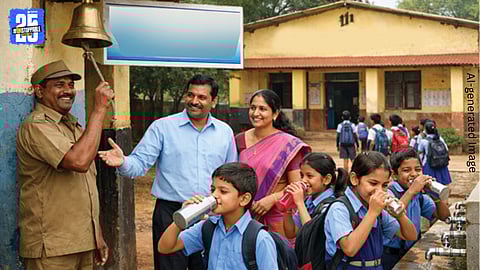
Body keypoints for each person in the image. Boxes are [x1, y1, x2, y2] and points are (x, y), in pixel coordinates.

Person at [98, 74, 238, 270]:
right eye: (190, 95)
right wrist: (123, 162)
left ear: (213, 102)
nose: (194, 101)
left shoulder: (224, 132)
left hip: (211, 215)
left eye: (202, 97)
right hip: (171, 213)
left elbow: (231, 175)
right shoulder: (163, 127)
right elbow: (140, 163)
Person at [17, 60, 111, 269]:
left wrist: (97, 237)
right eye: (59, 85)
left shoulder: (74, 126)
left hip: (83, 243)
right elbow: (79, 162)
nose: (68, 90)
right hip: (52, 248)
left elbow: (85, 188)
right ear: (40, 92)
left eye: (70, 85)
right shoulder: (36, 126)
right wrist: (99, 110)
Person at [158, 162, 278, 270]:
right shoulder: (208, 227)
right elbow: (165, 247)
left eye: (223, 191)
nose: (214, 195)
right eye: (213, 189)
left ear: (244, 199)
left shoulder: (260, 238)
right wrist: (182, 218)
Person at [235, 89, 311, 238]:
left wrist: (272, 199)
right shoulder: (239, 140)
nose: (256, 113)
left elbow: (299, 186)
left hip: (278, 220)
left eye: (262, 109)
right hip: (244, 216)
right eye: (253, 108)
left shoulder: (288, 145)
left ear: (275, 114)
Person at [324, 152, 417, 270]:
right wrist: (372, 213)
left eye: (384, 185)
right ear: (354, 179)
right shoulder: (339, 209)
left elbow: (410, 235)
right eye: (373, 183)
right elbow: (349, 249)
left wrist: (400, 216)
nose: (379, 190)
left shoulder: (378, 210)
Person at [382, 149, 450, 270]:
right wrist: (412, 191)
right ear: (394, 175)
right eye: (406, 170)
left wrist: (436, 198)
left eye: (418, 169)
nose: (413, 174)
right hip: (390, 254)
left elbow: (444, 216)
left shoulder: (419, 197)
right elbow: (393, 213)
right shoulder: (388, 193)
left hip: (411, 250)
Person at [283, 152, 348, 237]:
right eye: (302, 175)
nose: (303, 180)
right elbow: (291, 233)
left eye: (309, 176)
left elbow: (312, 235)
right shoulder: (308, 202)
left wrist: (300, 203)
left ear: (326, 179)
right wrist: (288, 208)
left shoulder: (330, 206)